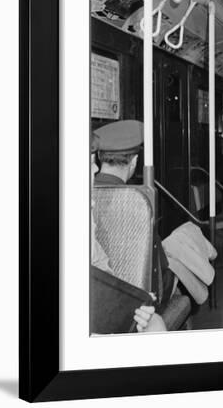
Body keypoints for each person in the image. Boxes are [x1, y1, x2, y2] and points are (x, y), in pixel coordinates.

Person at [93, 120, 175, 312]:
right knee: (183, 247)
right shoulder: (137, 204)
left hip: (99, 293)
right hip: (138, 299)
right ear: (135, 162)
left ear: (98, 156)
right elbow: (159, 268)